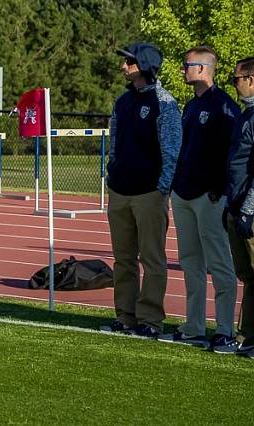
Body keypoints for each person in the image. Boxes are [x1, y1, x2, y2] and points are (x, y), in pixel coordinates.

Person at [160, 47, 239, 351]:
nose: (182, 70)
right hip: (184, 193)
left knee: (219, 263)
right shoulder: (191, 106)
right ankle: (193, 326)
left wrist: (220, 189)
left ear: (203, 69)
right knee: (190, 262)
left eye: (186, 65)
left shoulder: (223, 106)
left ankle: (225, 330)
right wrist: (176, 185)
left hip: (209, 196)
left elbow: (232, 155)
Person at [101, 43, 181, 338]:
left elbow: (172, 149)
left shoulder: (165, 102)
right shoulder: (122, 102)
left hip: (150, 193)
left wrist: (162, 188)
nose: (123, 66)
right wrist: (112, 174)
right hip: (120, 190)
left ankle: (150, 320)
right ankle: (126, 316)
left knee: (152, 258)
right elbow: (115, 142)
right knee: (123, 259)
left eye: (129, 62)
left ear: (144, 65)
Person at [225, 56, 254, 357]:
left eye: (236, 78)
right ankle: (247, 335)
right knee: (248, 276)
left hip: (250, 208)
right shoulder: (245, 115)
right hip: (237, 204)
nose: (234, 84)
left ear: (251, 79)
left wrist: (247, 208)